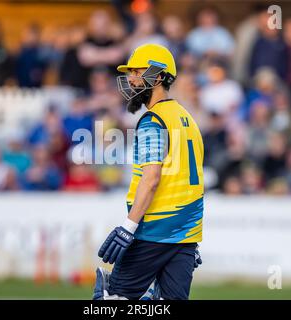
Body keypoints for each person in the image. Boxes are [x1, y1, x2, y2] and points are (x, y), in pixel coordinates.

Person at [94, 44, 204, 300]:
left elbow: (152, 178)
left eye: (137, 71)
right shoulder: (187, 118)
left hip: (152, 231)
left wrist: (128, 227)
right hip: (184, 235)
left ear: (158, 75)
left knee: (110, 301)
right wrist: (189, 238)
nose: (131, 79)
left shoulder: (153, 120)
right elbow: (189, 179)